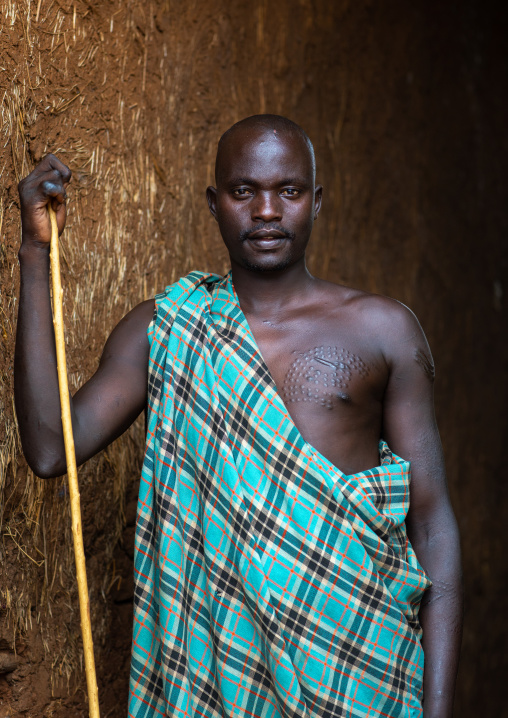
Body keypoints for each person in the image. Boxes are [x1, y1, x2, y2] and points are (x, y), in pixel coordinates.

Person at [16, 115, 462, 718]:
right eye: (244, 191)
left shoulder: (382, 331)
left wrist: (437, 710)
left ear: (317, 200)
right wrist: (37, 252)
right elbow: (49, 446)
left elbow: (432, 527)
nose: (267, 211)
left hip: (362, 671)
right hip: (217, 683)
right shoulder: (168, 330)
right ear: (214, 202)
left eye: (290, 190)